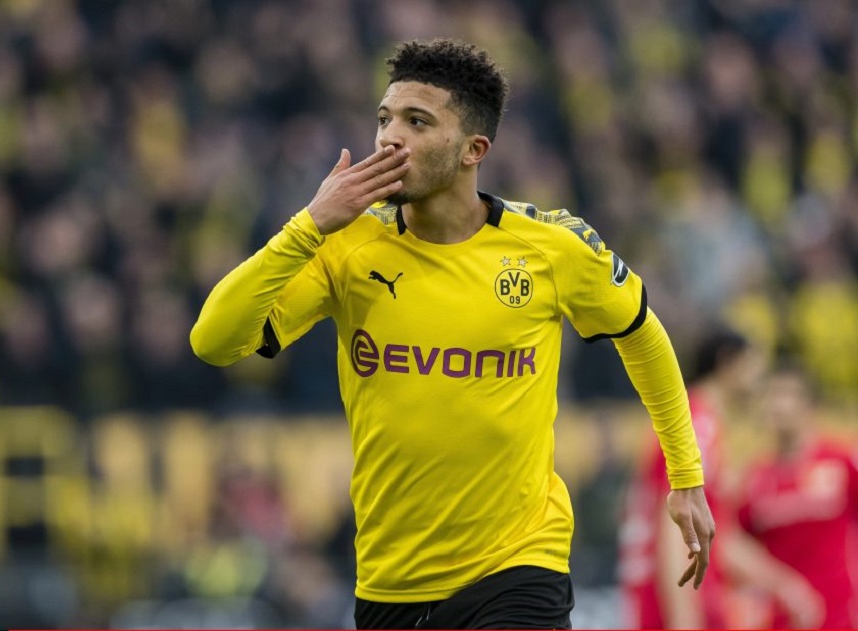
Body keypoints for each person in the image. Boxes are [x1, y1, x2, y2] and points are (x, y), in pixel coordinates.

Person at [191, 38, 713, 630]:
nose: (390, 138)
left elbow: (642, 334)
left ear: (473, 149)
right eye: (384, 119)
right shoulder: (345, 247)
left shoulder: (549, 248)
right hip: (391, 580)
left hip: (518, 566)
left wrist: (686, 477)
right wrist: (308, 225)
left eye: (417, 122)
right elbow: (213, 341)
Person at [619, 329, 823, 629]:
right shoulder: (694, 424)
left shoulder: (700, 423)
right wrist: (683, 620)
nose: (759, 378)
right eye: (753, 363)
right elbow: (677, 526)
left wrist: (783, 585)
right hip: (668, 606)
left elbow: (719, 537)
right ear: (728, 362)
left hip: (676, 601)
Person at [735, 362, 858, 629]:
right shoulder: (756, 479)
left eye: (788, 394)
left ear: (810, 405)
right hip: (783, 620)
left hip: (840, 617)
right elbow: (731, 544)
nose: (780, 405)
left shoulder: (840, 462)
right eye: (773, 395)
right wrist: (779, 585)